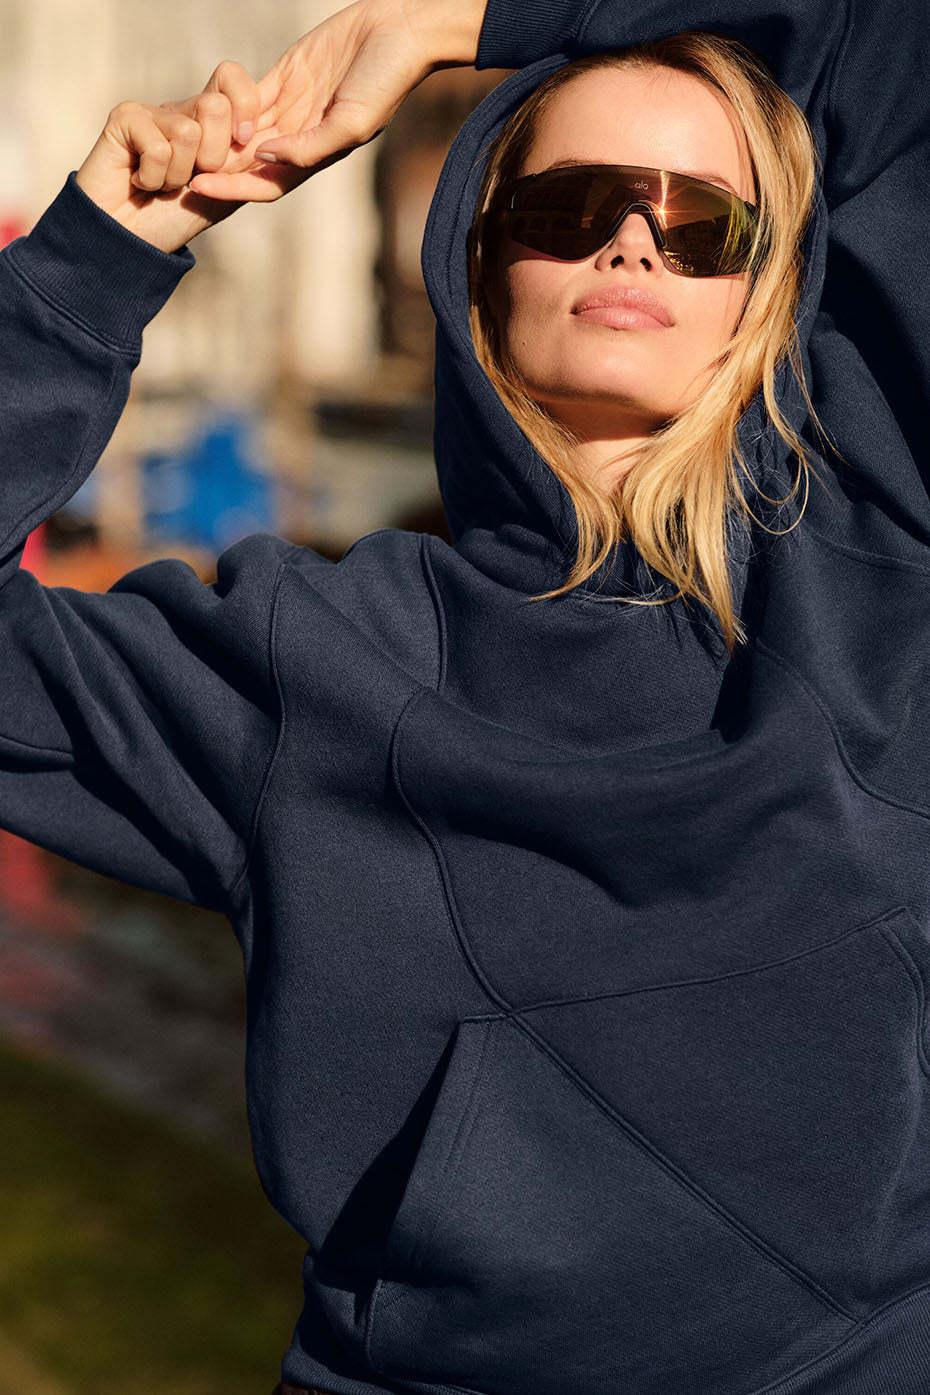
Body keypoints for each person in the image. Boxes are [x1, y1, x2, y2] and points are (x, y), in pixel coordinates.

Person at [2, 0, 930, 1391]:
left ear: (766, 285)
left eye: (704, 226)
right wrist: (93, 263)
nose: (634, 242)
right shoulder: (313, 660)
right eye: (573, 208)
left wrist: (455, 20)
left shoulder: (876, 574)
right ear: (478, 257)